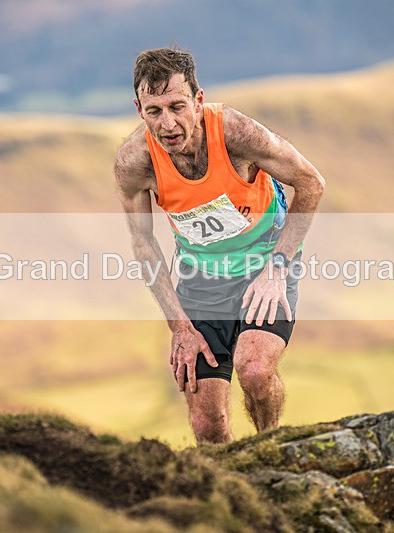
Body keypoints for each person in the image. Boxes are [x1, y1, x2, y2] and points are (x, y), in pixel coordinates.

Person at [114, 46, 324, 444]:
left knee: (256, 372)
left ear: (198, 100)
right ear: (139, 110)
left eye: (177, 107)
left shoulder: (235, 133)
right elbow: (143, 244)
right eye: (154, 111)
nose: (168, 123)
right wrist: (179, 326)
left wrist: (276, 270)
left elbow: (311, 182)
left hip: (265, 263)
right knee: (206, 426)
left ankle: (271, 449)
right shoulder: (134, 162)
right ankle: (231, 480)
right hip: (201, 281)